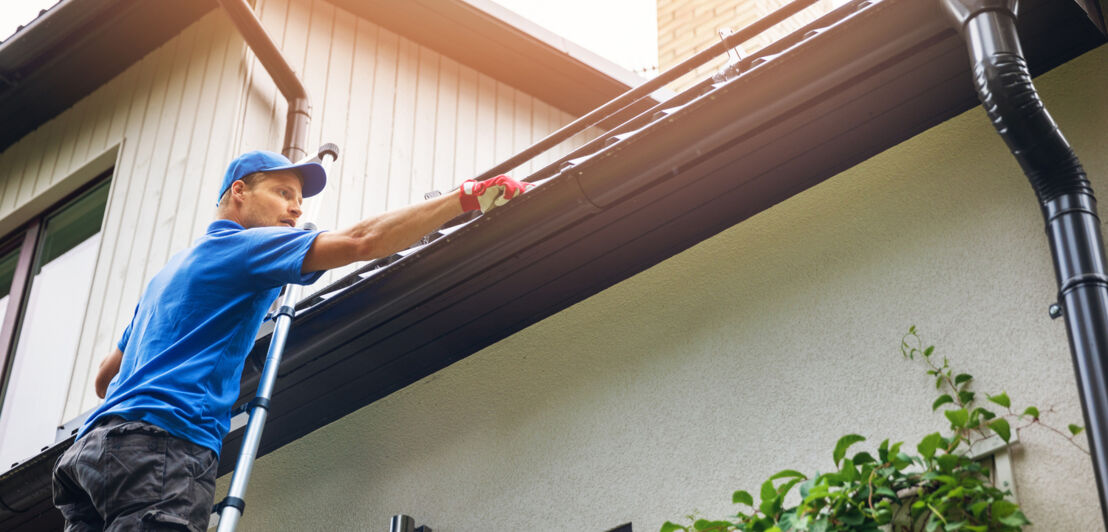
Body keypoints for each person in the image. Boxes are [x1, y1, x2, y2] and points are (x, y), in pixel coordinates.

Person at [51, 150, 530, 531]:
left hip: (94, 456)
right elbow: (363, 240)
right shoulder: (246, 247)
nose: (296, 209)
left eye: (299, 199)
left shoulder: (167, 276)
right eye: (283, 193)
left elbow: (103, 378)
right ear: (239, 192)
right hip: (162, 448)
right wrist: (465, 197)